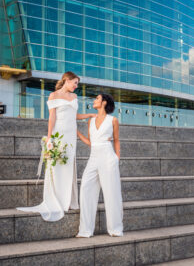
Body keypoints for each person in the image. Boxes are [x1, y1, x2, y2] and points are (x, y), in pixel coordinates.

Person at [17, 71, 96, 221]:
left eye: (77, 84)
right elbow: (52, 117)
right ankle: (57, 199)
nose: (76, 86)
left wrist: (89, 115)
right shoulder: (53, 96)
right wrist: (49, 138)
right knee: (57, 165)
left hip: (71, 136)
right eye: (75, 83)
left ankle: (69, 200)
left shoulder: (74, 97)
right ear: (67, 80)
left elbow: (75, 115)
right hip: (58, 134)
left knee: (68, 164)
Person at [76, 93, 123, 237]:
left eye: (97, 98)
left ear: (104, 102)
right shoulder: (91, 120)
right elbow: (91, 142)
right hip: (94, 157)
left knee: (111, 193)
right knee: (85, 187)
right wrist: (77, 133)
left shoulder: (113, 120)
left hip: (108, 157)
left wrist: (117, 158)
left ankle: (115, 229)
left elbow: (116, 140)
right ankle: (85, 230)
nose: (94, 100)